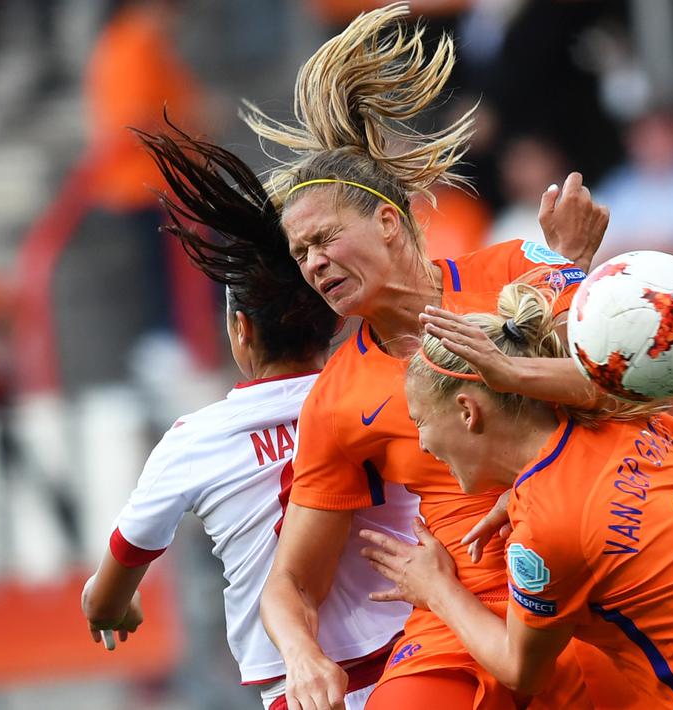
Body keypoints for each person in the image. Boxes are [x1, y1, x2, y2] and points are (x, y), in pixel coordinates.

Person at [240, 6, 614, 708]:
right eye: (300, 255)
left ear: (387, 221)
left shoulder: (514, 272)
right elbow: (290, 583)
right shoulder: (339, 397)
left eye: (324, 239)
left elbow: (619, 395)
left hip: (594, 582)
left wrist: (570, 277)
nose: (313, 264)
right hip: (463, 617)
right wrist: (302, 654)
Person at [79, 126, 417, 709]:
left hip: (302, 687)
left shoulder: (195, 441)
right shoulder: (391, 389)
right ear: (334, 321)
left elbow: (104, 598)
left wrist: (116, 606)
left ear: (240, 331)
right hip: (421, 662)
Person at [359, 281, 673, 708]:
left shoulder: (547, 525)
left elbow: (521, 669)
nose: (422, 445)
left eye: (419, 422)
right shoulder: (625, 423)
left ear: (468, 412)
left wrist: (436, 588)